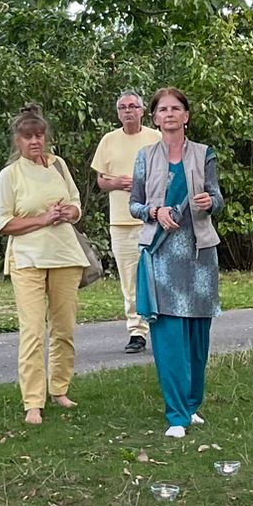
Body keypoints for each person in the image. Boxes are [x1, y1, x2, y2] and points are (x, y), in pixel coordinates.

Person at [129, 87, 224, 439]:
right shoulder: (145, 156)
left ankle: (192, 404)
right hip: (161, 254)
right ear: (154, 117)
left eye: (176, 108)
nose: (169, 114)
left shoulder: (204, 154)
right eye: (162, 109)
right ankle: (176, 415)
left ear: (186, 116)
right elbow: (134, 205)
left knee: (198, 336)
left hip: (199, 255)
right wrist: (156, 211)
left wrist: (207, 201)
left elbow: (218, 199)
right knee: (169, 335)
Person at [0, 105, 88, 425]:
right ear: (17, 141)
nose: (35, 141)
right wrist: (43, 218)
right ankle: (33, 401)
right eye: (27, 136)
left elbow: (76, 204)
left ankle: (59, 388)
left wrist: (68, 214)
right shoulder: (11, 175)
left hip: (65, 255)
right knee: (32, 330)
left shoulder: (58, 165)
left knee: (64, 327)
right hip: (28, 259)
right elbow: (3, 223)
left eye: (39, 134)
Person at [90, 91, 153, 353]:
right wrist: (117, 182)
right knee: (129, 278)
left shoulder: (155, 138)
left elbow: (169, 176)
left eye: (133, 106)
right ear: (118, 113)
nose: (128, 111)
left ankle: (159, 326)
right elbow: (101, 181)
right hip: (121, 221)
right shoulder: (109, 140)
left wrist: (140, 184)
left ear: (142, 110)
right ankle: (136, 332)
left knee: (154, 276)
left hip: (151, 218)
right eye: (122, 107)